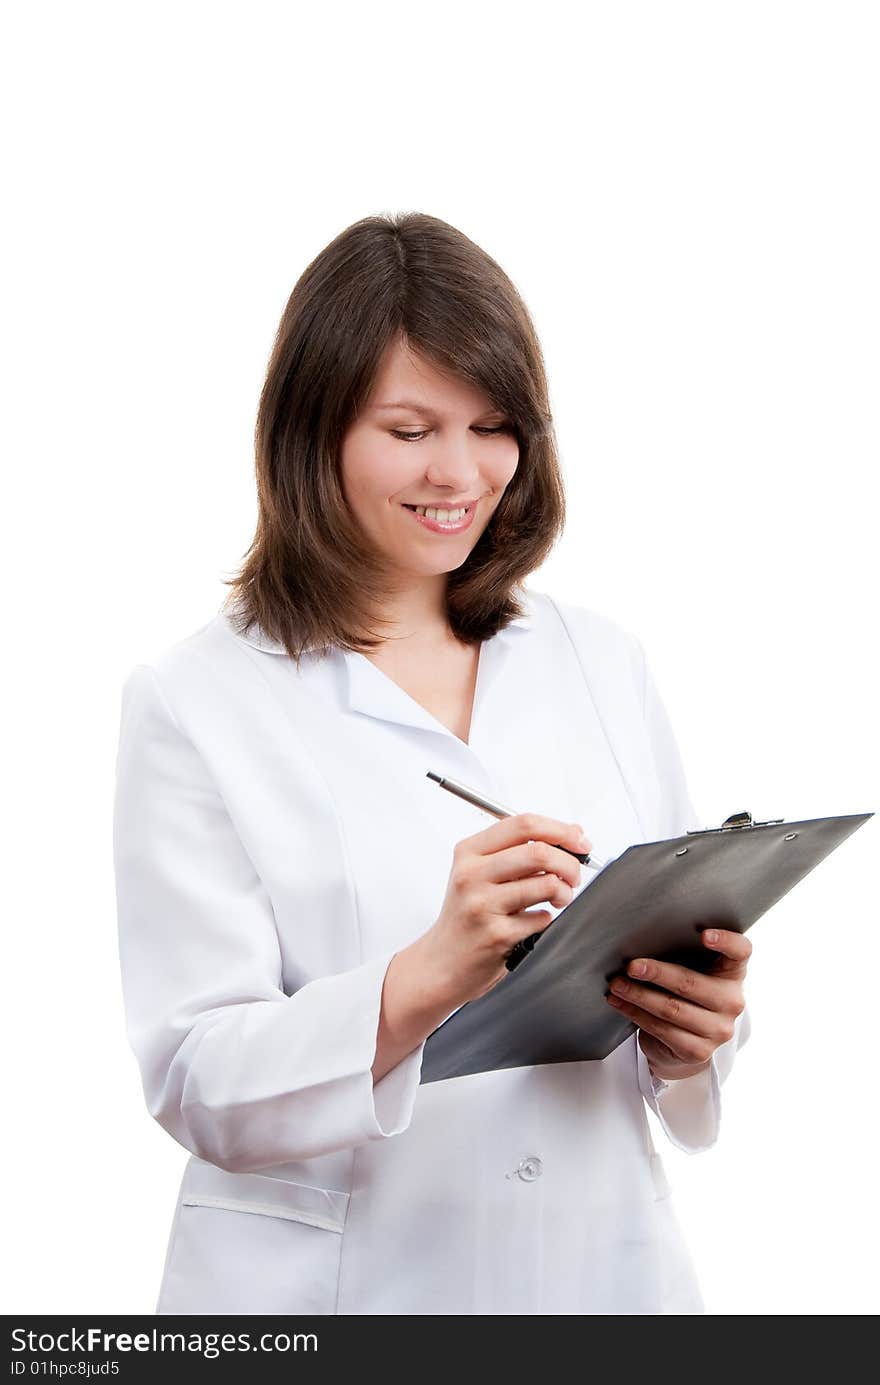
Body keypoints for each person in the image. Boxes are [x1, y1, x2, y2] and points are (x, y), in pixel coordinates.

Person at [112, 211, 751, 1316]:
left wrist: (693, 1036)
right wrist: (424, 977)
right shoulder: (196, 700)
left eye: (493, 424)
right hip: (341, 1295)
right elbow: (192, 1075)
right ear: (313, 434)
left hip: (603, 1276)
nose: (461, 472)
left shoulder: (598, 658)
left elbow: (670, 996)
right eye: (409, 429)